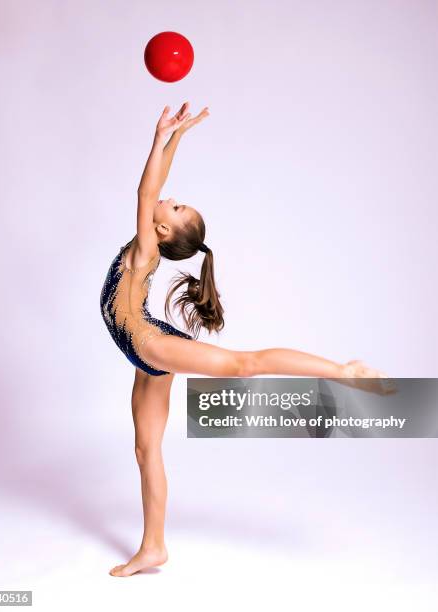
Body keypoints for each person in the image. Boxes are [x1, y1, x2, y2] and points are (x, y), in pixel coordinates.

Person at [100, 102, 393, 577]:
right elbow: (154, 189)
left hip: (151, 343)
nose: (169, 199)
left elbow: (145, 187)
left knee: (244, 364)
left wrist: (160, 138)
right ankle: (153, 547)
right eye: (177, 201)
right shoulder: (150, 242)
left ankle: (344, 371)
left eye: (174, 208)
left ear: (160, 231)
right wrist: (179, 136)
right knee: (145, 449)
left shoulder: (144, 249)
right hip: (144, 352)